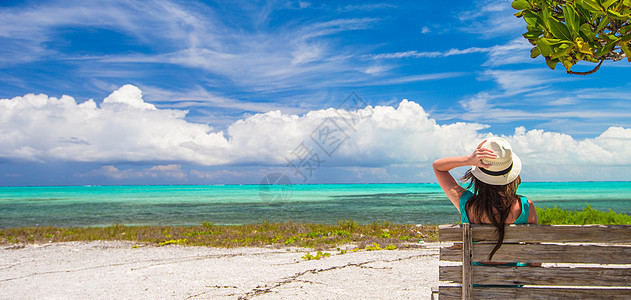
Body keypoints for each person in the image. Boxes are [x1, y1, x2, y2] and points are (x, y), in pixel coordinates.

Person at [433, 137, 538, 263]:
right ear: (511, 175)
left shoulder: (467, 204)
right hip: (514, 280)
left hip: (475, 280)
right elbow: (536, 259)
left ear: (478, 175)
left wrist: (468, 159)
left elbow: (438, 167)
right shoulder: (525, 206)